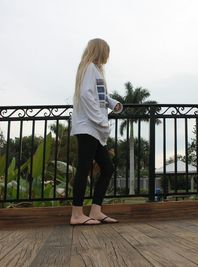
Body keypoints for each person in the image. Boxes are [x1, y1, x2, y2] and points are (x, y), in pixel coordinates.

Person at [69, 38, 123, 226]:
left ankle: (96, 211)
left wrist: (112, 103)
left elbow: (98, 95)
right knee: (84, 169)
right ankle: (76, 215)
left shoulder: (96, 70)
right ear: (101, 51)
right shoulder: (89, 67)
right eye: (106, 51)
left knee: (107, 168)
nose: (108, 56)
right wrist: (101, 120)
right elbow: (85, 95)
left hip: (95, 129)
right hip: (88, 127)